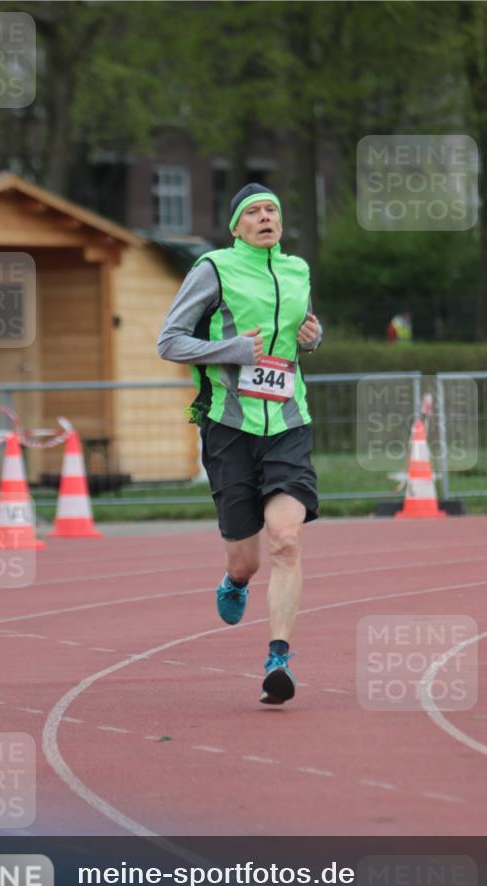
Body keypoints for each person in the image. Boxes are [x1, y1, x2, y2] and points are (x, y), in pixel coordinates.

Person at [158, 183, 322, 706]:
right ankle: (235, 582)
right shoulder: (213, 269)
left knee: (286, 540)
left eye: (272, 209)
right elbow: (169, 341)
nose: (265, 216)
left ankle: (278, 658)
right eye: (254, 212)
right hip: (229, 427)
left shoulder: (297, 270)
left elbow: (299, 334)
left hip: (289, 423)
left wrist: (313, 338)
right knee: (245, 561)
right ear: (236, 227)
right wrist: (231, 350)